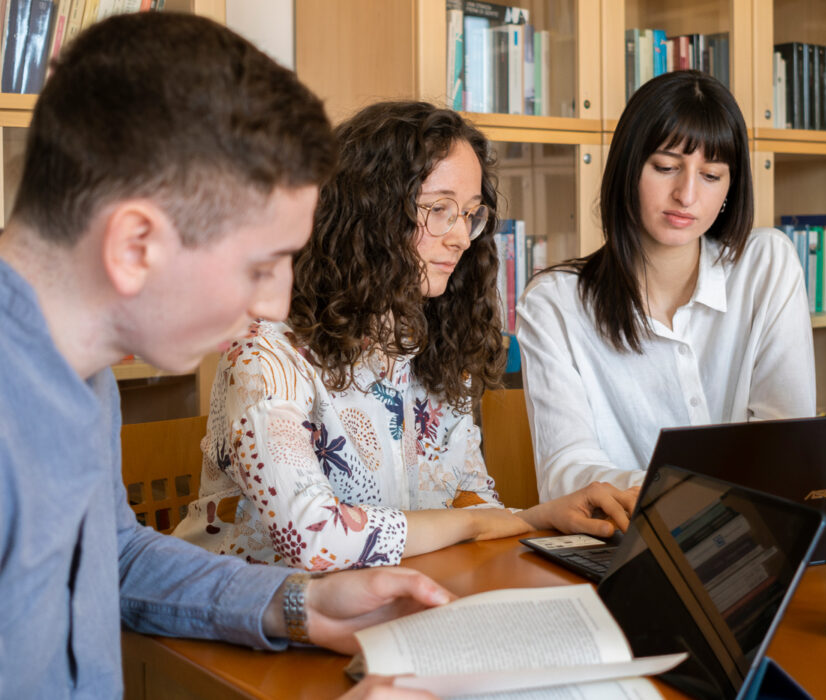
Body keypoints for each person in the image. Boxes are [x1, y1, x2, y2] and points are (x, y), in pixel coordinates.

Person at [0, 13, 453, 699]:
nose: (275, 304)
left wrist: (299, 604)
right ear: (135, 247)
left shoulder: (84, 364)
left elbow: (112, 558)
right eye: (261, 265)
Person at [173, 100, 638, 571]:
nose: (460, 236)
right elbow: (315, 540)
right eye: (440, 209)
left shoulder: (432, 349)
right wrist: (480, 524)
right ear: (368, 213)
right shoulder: (265, 356)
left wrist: (540, 516)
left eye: (470, 214)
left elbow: (470, 505)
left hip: (376, 604)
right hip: (235, 623)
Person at [516, 70, 816, 502]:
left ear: (730, 188)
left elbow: (786, 443)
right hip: (622, 541)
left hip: (755, 536)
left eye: (711, 176)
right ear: (627, 169)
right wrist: (684, 498)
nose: (687, 195)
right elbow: (566, 471)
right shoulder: (555, 302)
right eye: (666, 167)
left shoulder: (765, 264)